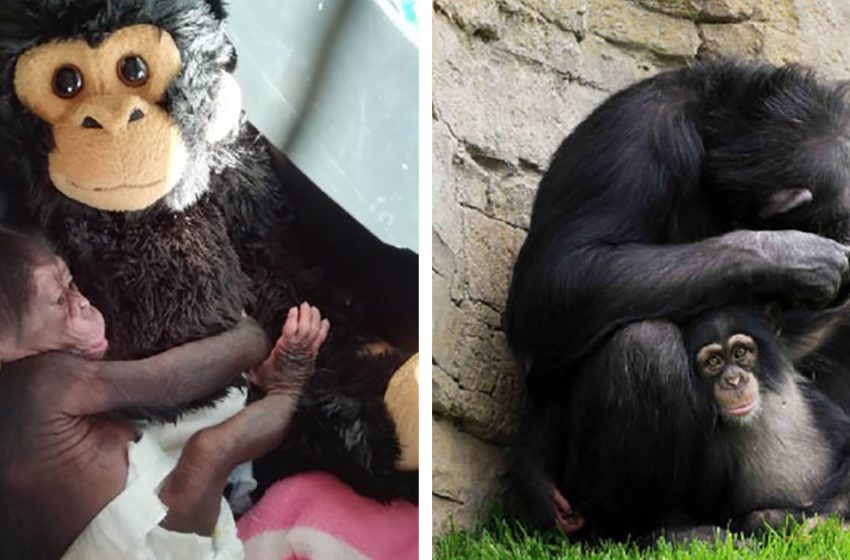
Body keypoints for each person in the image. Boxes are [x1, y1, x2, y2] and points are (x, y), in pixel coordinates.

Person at [0, 227, 329, 560]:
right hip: (140, 547)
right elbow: (170, 381)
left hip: (130, 519)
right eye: (60, 301)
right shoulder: (38, 379)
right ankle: (288, 387)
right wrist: (252, 337)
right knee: (207, 452)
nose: (82, 302)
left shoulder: (29, 374)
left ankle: (253, 382)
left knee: (192, 416)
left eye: (71, 284)